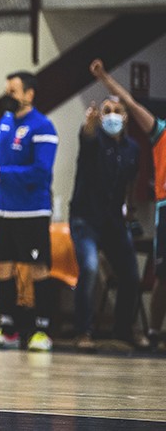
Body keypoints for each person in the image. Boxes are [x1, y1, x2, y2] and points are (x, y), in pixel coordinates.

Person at [0, 71, 58, 352]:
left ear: (29, 94)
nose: (8, 97)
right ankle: (7, 330)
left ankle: (41, 331)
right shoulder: (5, 121)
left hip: (31, 212)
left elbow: (42, 172)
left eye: (13, 91)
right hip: (2, 210)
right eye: (7, 91)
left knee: (38, 269)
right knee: (1, 266)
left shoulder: (43, 126)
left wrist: (4, 174)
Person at [90, 59, 166, 349]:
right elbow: (131, 104)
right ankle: (155, 332)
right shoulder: (161, 131)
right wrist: (105, 78)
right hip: (165, 207)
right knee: (162, 276)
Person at [68, 94, 145, 350]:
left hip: (113, 220)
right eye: (107, 110)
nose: (112, 115)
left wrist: (130, 207)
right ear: (101, 116)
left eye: (117, 110)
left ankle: (123, 329)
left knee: (131, 274)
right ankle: (83, 332)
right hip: (85, 217)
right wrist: (89, 123)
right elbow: (87, 135)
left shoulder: (132, 148)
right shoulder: (94, 139)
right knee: (89, 268)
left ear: (125, 117)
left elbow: (131, 180)